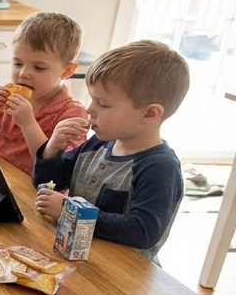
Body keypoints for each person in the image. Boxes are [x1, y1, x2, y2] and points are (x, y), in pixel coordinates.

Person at [32, 40, 189, 261]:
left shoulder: (160, 168)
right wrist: (53, 148)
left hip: (121, 276)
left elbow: (143, 232)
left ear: (149, 114)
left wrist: (71, 213)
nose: (89, 109)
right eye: (92, 99)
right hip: (77, 257)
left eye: (103, 104)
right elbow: (49, 182)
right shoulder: (96, 144)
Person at [0, 12, 88, 173]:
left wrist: (28, 123)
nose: (23, 74)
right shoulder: (6, 99)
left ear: (67, 71)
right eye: (17, 63)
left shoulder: (72, 114)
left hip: (35, 192)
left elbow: (55, 170)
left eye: (39, 68)